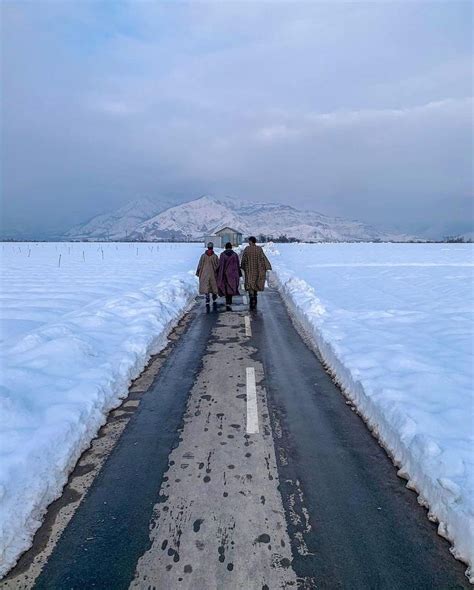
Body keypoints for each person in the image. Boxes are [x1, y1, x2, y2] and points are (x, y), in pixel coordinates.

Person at [240, 236, 272, 310]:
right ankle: (255, 295)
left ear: (251, 241)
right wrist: (267, 266)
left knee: (250, 283)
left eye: (249, 241)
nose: (248, 242)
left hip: (249, 269)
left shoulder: (247, 249)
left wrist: (243, 266)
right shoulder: (259, 249)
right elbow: (263, 258)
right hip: (257, 270)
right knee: (256, 282)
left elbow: (244, 259)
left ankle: (251, 297)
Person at [217, 242, 242, 311]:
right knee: (231, 286)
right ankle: (229, 300)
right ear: (231, 247)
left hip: (224, 274)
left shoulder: (222, 255)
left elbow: (220, 265)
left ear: (225, 247)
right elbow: (237, 265)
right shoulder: (235, 255)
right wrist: (239, 273)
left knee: (225, 287)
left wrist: (219, 273)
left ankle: (227, 300)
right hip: (233, 274)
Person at [196, 242, 219, 307]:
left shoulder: (203, 256)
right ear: (212, 247)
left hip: (204, 273)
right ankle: (214, 296)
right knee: (213, 285)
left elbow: (200, 265)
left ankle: (207, 296)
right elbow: (217, 265)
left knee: (206, 286)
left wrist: (198, 272)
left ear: (207, 247)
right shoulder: (215, 256)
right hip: (213, 274)